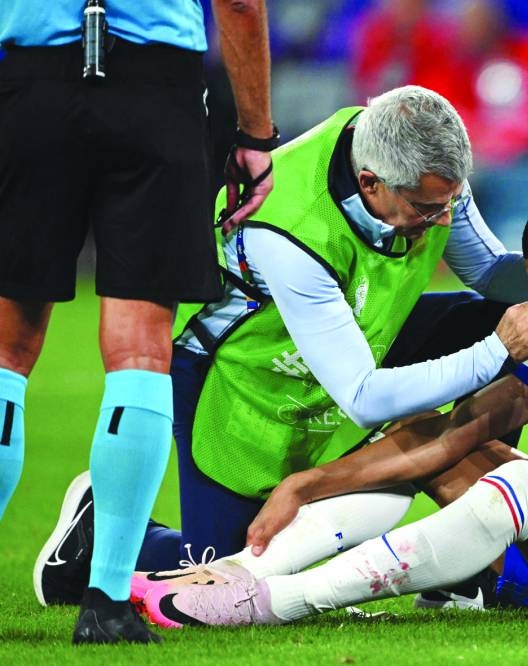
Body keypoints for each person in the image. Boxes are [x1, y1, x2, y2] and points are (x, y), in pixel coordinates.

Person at [132, 184, 528, 626]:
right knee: (428, 437)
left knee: (520, 480)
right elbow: (457, 434)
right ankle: (240, 574)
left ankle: (279, 601)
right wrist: (308, 483)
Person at [35, 84, 528, 609]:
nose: (443, 221)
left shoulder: (416, 164)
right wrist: (498, 350)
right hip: (243, 380)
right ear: (370, 183)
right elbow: (363, 395)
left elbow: (488, 272)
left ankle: (466, 568)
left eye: (452, 201)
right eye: (428, 209)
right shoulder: (290, 228)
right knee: (228, 568)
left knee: (502, 320)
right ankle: (98, 530)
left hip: (362, 339)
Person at [0, 0, 275, 645]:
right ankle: (107, 602)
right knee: (141, 354)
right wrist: (256, 132)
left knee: (6, 353)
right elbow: (239, 4)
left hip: (30, 88)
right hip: (156, 92)